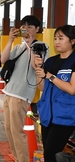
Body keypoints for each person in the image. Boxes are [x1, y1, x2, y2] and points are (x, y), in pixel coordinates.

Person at [1, 15, 46, 161]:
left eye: (30, 27)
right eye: (24, 27)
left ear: (37, 29)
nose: (26, 30)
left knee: (17, 131)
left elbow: (36, 66)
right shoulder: (19, 46)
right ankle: (17, 157)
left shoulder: (41, 46)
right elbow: (3, 60)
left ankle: (23, 160)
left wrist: (29, 44)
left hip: (21, 94)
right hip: (9, 91)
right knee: (9, 130)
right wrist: (10, 40)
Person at [35, 25, 75, 162]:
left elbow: (72, 89)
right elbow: (41, 87)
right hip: (48, 116)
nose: (57, 42)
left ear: (72, 41)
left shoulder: (74, 61)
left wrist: (50, 76)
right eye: (55, 38)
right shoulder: (51, 61)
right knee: (48, 155)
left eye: (61, 38)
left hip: (65, 117)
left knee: (52, 155)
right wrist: (38, 70)